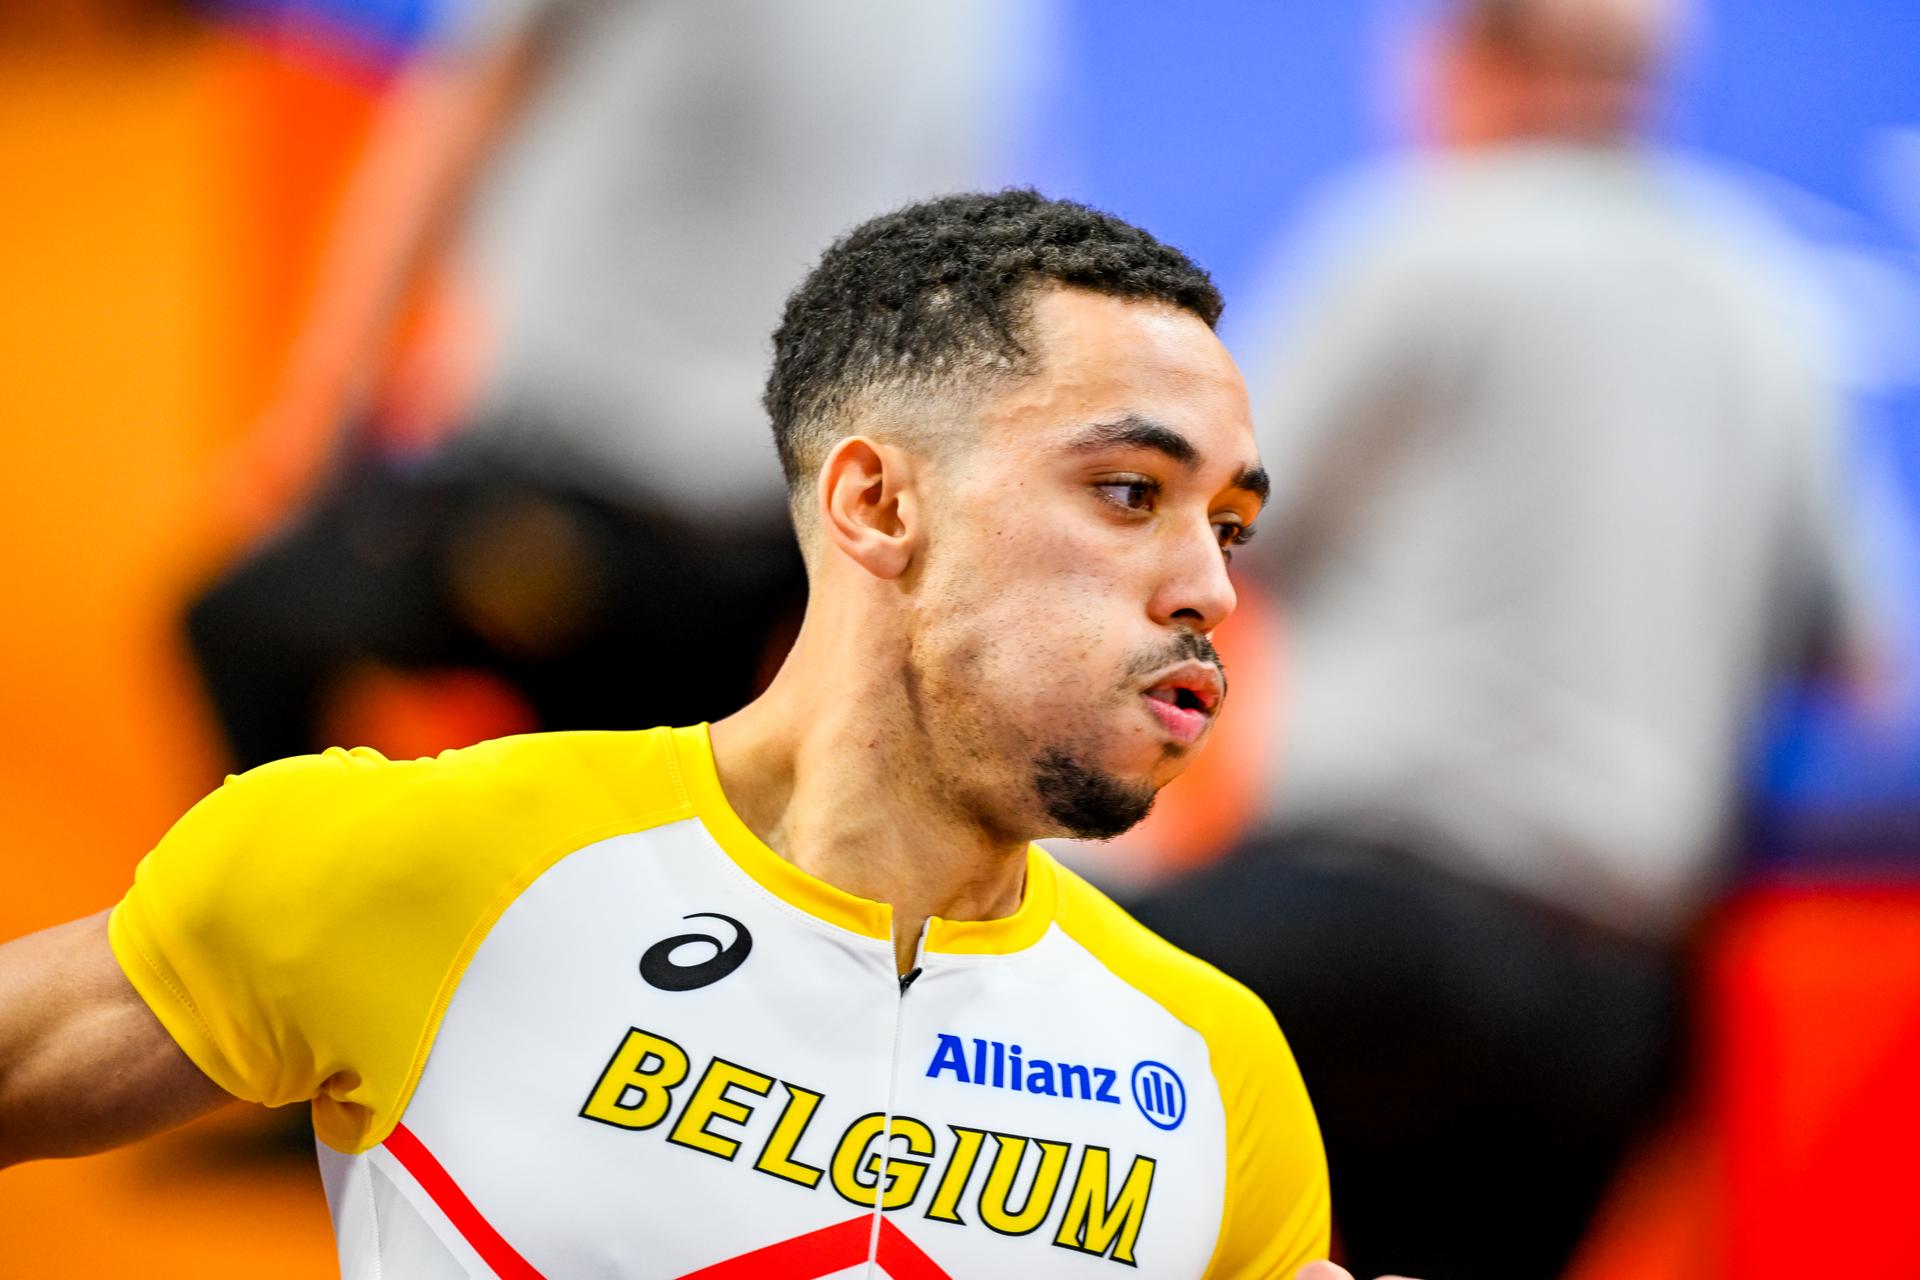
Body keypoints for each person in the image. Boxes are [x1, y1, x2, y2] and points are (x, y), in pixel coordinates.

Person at [0, 192, 1337, 1278]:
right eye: (1129, 491)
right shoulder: (428, 863)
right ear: (875, 504)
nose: (1211, 590)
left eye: (1228, 525)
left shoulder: (1214, 1070)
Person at [1135, 1, 1880, 1277]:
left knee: (984, 1000)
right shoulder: (1765, 300)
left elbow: (1198, 534)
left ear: (1471, 62)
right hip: (1614, 1005)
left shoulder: (1438, 240)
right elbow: (1854, 661)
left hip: (1373, 921)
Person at [187, 0, 1032, 767]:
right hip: (784, 525)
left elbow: (463, 104)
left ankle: (301, 921)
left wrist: (326, 404)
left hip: (577, 490)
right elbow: (962, 251)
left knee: (241, 625)